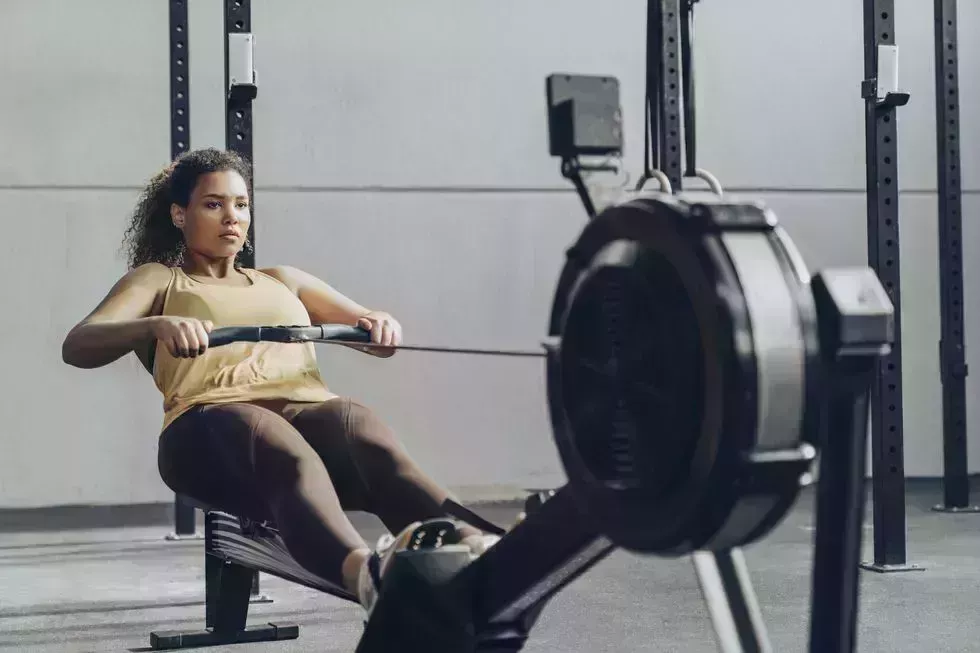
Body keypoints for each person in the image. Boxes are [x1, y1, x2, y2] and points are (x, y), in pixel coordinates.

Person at [61, 147, 494, 616]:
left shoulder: (282, 280)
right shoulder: (160, 281)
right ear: (179, 214)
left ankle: (479, 546)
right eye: (214, 204)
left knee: (360, 427)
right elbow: (79, 344)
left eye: (241, 205)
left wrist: (380, 323)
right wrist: (155, 325)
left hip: (302, 413)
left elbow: (371, 330)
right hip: (205, 431)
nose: (232, 218)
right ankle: (366, 577)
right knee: (271, 437)